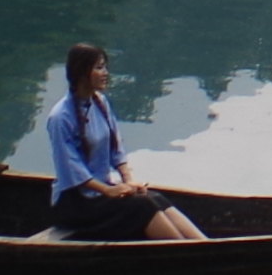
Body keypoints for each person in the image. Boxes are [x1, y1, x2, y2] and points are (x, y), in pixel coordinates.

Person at [40, 44, 204, 241]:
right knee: (141, 207)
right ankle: (186, 254)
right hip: (76, 203)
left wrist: (128, 181)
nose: (106, 73)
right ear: (82, 72)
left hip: (100, 193)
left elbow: (116, 148)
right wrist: (108, 190)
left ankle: (209, 248)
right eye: (99, 68)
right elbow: (72, 169)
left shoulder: (100, 102)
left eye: (105, 67)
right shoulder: (60, 117)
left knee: (153, 198)